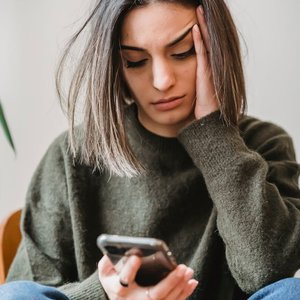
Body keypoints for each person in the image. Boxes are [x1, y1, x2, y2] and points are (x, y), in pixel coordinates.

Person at [1, 0, 300, 299]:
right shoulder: (72, 155)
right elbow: (26, 289)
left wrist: (214, 133)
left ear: (216, 48)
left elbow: (267, 272)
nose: (162, 81)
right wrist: (103, 294)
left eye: (183, 52)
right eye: (135, 60)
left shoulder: (264, 143)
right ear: (115, 65)